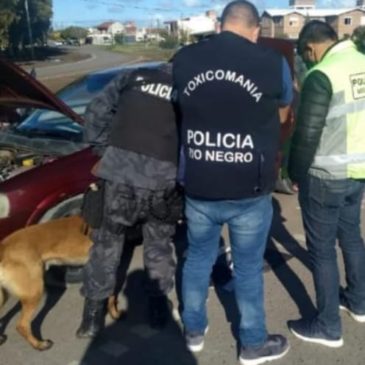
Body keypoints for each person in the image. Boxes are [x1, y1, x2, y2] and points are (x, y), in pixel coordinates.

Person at [172, 1, 293, 364]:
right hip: (249, 185)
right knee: (248, 267)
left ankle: (193, 330)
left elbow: (178, 107)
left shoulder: (185, 58)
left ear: (221, 25)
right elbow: (284, 108)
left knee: (197, 259)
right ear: (255, 30)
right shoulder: (272, 62)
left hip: (200, 180)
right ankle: (253, 343)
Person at [76, 63, 181, 338]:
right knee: (158, 246)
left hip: (119, 178)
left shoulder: (132, 77)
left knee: (106, 246)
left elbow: (96, 112)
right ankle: (158, 312)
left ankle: (91, 319)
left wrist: (104, 151)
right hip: (162, 181)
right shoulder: (190, 87)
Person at [288, 20, 365, 347]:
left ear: (311, 48)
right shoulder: (362, 62)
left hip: (325, 177)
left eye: (307, 56)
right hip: (358, 172)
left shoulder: (322, 75)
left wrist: (294, 173)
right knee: (351, 237)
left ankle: (328, 326)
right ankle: (359, 302)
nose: (308, 61)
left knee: (321, 252)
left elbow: (307, 135)